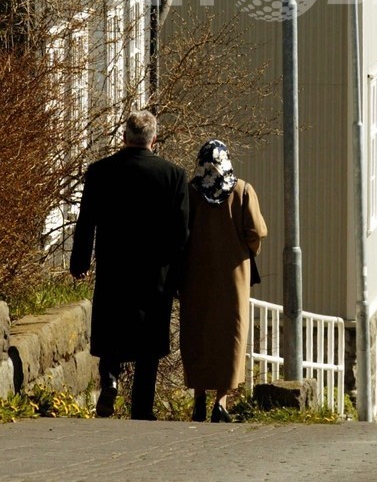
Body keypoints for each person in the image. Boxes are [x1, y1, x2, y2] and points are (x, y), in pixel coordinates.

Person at [70, 110, 189, 420]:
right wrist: (178, 277)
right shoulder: (173, 175)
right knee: (149, 342)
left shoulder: (100, 172)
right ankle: (142, 408)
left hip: (115, 265)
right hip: (155, 272)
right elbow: (181, 233)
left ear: (124, 137)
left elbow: (87, 222)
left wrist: (80, 260)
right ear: (154, 139)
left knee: (112, 326)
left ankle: (109, 377)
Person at [179, 139, 267, 423]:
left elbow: (181, 232)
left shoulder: (191, 193)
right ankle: (221, 401)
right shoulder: (241, 191)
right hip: (233, 279)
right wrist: (247, 249)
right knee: (230, 335)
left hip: (196, 277)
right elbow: (256, 231)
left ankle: (198, 401)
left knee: (198, 334)